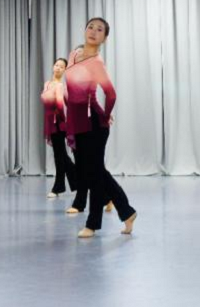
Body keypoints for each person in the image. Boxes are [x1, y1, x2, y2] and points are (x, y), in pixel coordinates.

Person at [65, 18, 135, 237]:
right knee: (93, 172)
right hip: (76, 121)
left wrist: (104, 115)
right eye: (90, 27)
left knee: (94, 174)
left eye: (100, 30)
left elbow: (111, 94)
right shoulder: (74, 55)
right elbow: (72, 91)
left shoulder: (96, 63)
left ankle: (92, 224)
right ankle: (127, 211)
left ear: (104, 38)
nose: (93, 31)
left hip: (93, 123)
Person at [42, 58, 78, 198]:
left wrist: (64, 120)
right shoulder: (47, 84)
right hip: (50, 122)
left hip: (59, 123)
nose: (57, 68)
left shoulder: (60, 86)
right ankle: (78, 182)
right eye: (56, 65)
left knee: (60, 156)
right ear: (53, 66)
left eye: (61, 67)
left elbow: (62, 104)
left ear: (64, 70)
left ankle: (58, 187)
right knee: (61, 156)